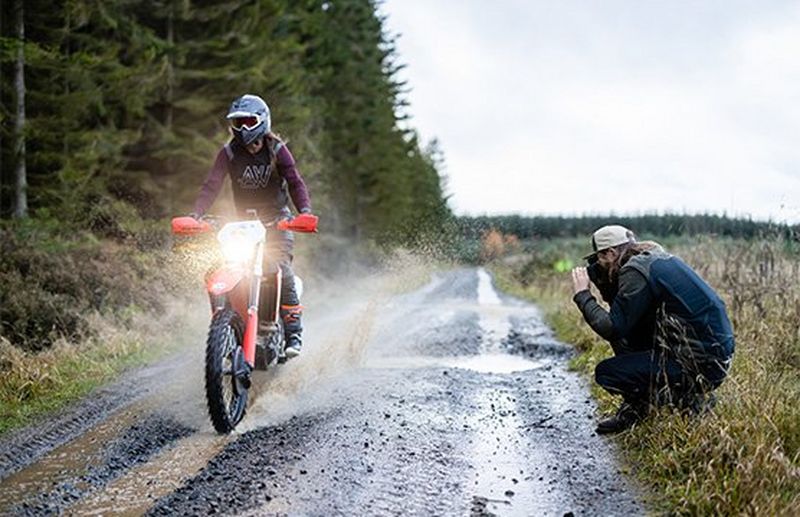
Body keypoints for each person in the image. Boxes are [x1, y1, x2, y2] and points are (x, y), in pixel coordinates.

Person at [571, 225, 735, 434]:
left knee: (608, 373)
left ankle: (691, 400)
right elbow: (625, 322)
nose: (598, 265)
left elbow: (612, 327)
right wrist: (604, 279)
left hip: (699, 366)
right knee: (630, 337)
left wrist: (582, 294)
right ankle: (636, 408)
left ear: (611, 253)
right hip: (715, 360)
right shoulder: (653, 259)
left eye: (599, 259)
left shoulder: (634, 270)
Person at [191, 94, 313, 358]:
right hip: (242, 227)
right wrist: (196, 215)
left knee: (280, 268)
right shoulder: (229, 152)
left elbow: (295, 182)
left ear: (262, 121)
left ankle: (293, 332)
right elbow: (211, 184)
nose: (243, 128)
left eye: (249, 121)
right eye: (238, 122)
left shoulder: (277, 149)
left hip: (277, 223)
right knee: (216, 269)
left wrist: (304, 212)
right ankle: (224, 325)